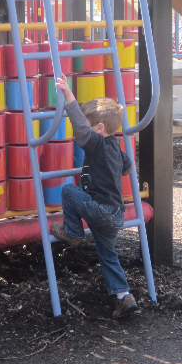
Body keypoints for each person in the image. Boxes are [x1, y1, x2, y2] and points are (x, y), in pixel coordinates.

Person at [50, 74, 137, 319]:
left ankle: (74, 233)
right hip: (116, 214)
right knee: (108, 255)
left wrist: (69, 96)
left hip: (101, 209)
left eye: (90, 127)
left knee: (68, 190)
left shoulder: (97, 143)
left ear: (99, 129)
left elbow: (80, 128)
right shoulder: (116, 148)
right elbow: (128, 167)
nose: (84, 132)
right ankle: (123, 297)